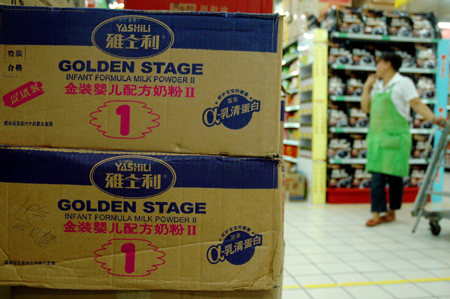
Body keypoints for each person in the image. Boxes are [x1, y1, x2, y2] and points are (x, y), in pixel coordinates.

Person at [361, 53, 443, 227]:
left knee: (395, 178)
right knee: (376, 178)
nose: (376, 67)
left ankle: (392, 211)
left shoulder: (403, 83)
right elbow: (365, 108)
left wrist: (433, 119)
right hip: (377, 139)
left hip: (396, 139)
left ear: (388, 64)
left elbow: (416, 103)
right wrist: (366, 87)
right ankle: (376, 214)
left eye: (379, 63)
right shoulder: (376, 86)